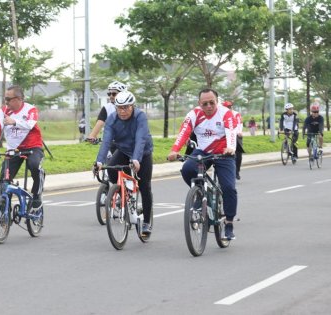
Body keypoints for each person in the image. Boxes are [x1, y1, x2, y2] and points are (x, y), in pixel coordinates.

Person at [167, 88, 237, 240]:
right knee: (187, 169)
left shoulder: (226, 113)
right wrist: (174, 150)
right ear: (199, 103)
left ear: (217, 101)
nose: (209, 106)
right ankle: (200, 193)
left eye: (212, 103)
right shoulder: (193, 114)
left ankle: (229, 223)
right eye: (205, 104)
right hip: (203, 152)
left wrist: (231, 147)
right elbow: (184, 133)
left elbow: (231, 132)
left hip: (224, 153)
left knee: (229, 187)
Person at [94, 91, 154, 235]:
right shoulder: (112, 119)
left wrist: (136, 159)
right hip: (124, 150)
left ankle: (146, 222)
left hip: (143, 152)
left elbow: (141, 139)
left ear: (132, 106)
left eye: (126, 107)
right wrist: (99, 161)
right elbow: (106, 141)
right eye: (119, 107)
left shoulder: (140, 116)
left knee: (145, 186)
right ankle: (124, 193)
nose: (123, 111)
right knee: (111, 169)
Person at [0, 85, 45, 209]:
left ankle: (37, 194)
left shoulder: (31, 109)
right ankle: (5, 209)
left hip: (33, 147)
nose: (6, 102)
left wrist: (14, 121)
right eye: (5, 99)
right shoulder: (3, 111)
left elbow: (30, 124)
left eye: (8, 99)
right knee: (3, 180)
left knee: (34, 166)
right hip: (13, 150)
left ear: (18, 99)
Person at [87, 81, 127, 146]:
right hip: (111, 142)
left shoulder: (130, 107)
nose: (111, 96)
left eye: (114, 94)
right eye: (109, 94)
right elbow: (100, 123)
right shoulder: (107, 107)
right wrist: (92, 136)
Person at [222, 101, 245, 180]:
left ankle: (237, 171)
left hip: (236, 135)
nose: (229, 109)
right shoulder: (221, 114)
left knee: (238, 154)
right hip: (225, 136)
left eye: (229, 107)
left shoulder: (236, 114)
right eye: (226, 107)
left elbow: (239, 123)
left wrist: (239, 132)